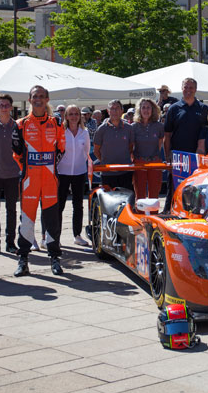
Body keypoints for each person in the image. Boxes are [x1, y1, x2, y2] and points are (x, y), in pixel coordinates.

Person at [11, 85, 66, 277]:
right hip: (29, 181)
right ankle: (23, 259)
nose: (38, 99)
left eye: (42, 96)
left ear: (47, 99)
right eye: (35, 96)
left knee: (52, 221)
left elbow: (61, 149)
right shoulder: (20, 124)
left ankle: (55, 259)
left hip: (50, 180)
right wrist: (29, 171)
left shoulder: (56, 123)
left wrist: (48, 166)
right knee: (26, 221)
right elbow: (17, 154)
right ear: (30, 99)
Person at [0, 94, 21, 256]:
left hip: (13, 174)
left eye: (7, 105)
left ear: (11, 107)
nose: (4, 107)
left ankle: (10, 242)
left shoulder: (18, 126)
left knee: (11, 209)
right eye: (1, 105)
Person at [57, 104, 93, 246]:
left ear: (80, 116)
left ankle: (77, 235)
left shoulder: (84, 133)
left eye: (76, 114)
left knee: (78, 205)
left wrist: (78, 164)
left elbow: (86, 151)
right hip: (62, 173)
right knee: (59, 206)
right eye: (70, 114)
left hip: (79, 172)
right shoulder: (61, 131)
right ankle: (56, 236)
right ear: (66, 116)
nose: (73, 117)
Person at [94, 99, 135, 189]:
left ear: (122, 111)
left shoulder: (129, 128)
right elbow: (96, 151)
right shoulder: (101, 129)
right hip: (107, 173)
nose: (115, 111)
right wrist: (105, 161)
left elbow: (131, 148)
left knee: (127, 201)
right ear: (108, 111)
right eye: (112, 108)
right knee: (109, 202)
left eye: (117, 108)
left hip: (126, 172)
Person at [164, 78, 208, 158]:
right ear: (182, 88)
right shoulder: (173, 108)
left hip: (199, 155)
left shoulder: (204, 109)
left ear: (195, 89)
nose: (188, 90)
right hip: (177, 155)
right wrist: (167, 155)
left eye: (191, 87)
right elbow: (167, 135)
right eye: (185, 87)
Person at [132, 98, 165, 199]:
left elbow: (160, 144)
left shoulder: (159, 126)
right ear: (139, 110)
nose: (146, 110)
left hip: (154, 162)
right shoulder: (134, 126)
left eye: (148, 108)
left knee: (154, 194)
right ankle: (140, 214)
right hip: (138, 162)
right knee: (140, 194)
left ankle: (153, 214)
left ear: (153, 110)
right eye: (143, 108)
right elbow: (131, 146)